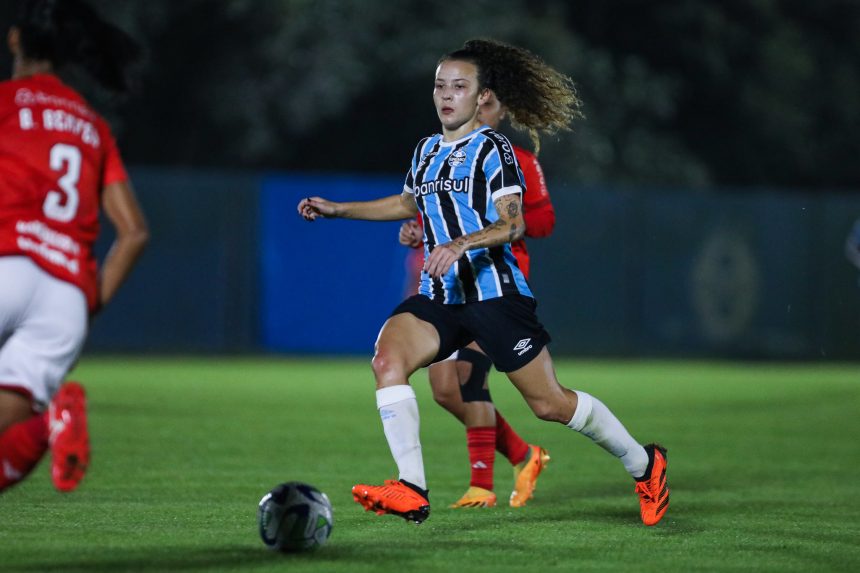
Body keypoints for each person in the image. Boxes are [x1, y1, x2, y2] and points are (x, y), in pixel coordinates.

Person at [298, 38, 669, 526]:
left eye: (460, 86)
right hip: (441, 299)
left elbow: (513, 224)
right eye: (440, 86)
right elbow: (410, 203)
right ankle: (411, 487)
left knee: (550, 404)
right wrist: (339, 209)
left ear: (481, 97)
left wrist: (458, 244)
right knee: (388, 360)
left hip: (495, 297)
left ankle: (644, 465)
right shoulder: (427, 149)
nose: (448, 95)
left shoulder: (493, 148)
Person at [0, 0, 148, 494]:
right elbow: (134, 232)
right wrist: (83, 310)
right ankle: (49, 424)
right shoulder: (91, 124)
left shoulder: (6, 101)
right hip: (64, 293)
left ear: (15, 40)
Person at [397, 89, 557, 509]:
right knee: (444, 390)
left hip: (495, 285)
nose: (480, 111)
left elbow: (540, 220)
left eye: (489, 105)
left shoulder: (516, 160)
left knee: (470, 380)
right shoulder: (445, 157)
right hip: (451, 288)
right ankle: (524, 455)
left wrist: (500, 219)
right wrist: (422, 232)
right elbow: (432, 215)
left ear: (503, 110)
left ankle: (480, 486)